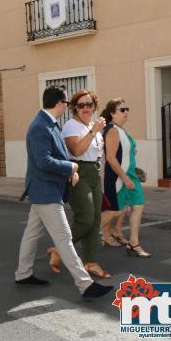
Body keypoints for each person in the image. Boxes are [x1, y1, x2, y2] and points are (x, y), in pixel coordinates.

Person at [15, 86, 112, 300]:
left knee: (31, 234)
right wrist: (71, 168)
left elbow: (55, 155)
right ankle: (85, 285)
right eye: (67, 103)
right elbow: (43, 161)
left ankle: (23, 274)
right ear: (59, 103)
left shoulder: (49, 124)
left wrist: (69, 170)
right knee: (64, 237)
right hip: (45, 190)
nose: (68, 107)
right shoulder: (41, 126)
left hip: (46, 188)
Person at [46, 90, 110, 279]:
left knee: (96, 219)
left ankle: (91, 262)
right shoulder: (71, 126)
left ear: (94, 107)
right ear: (74, 107)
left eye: (89, 105)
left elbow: (98, 154)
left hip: (94, 173)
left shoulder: (93, 125)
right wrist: (94, 132)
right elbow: (77, 150)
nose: (85, 108)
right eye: (80, 105)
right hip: (78, 172)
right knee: (86, 218)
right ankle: (60, 249)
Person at [101, 99, 151, 258]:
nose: (126, 112)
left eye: (127, 109)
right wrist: (125, 178)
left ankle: (134, 243)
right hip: (119, 178)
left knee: (138, 206)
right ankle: (76, 236)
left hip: (130, 176)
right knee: (114, 212)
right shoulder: (112, 130)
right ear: (112, 113)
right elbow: (110, 158)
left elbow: (124, 155)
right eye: (122, 110)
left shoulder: (121, 130)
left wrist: (133, 171)